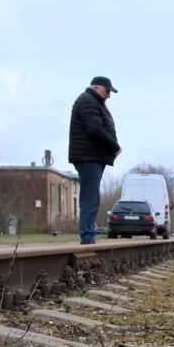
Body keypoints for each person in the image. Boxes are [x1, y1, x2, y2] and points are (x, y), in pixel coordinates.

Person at [68, 76, 121, 245]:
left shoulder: (94, 102)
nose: (109, 95)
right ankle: (87, 237)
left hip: (93, 156)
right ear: (97, 87)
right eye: (107, 91)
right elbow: (95, 129)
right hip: (88, 156)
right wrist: (114, 147)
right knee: (90, 198)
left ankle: (88, 234)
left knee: (91, 197)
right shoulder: (88, 101)